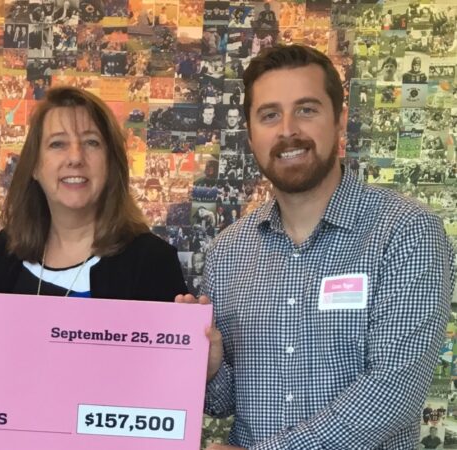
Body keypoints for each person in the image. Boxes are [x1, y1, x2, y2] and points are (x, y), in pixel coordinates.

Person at [177, 45, 454, 449]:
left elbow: (393, 393)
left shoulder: (407, 231)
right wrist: (209, 369)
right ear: (251, 135)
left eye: (306, 109)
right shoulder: (227, 251)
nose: (288, 130)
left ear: (339, 120)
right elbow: (223, 404)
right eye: (270, 115)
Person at [0, 86, 187, 300]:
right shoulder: (6, 250)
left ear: (111, 163)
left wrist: (198, 333)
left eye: (91, 143)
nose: (75, 158)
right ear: (34, 166)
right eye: (57, 144)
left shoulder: (151, 261)